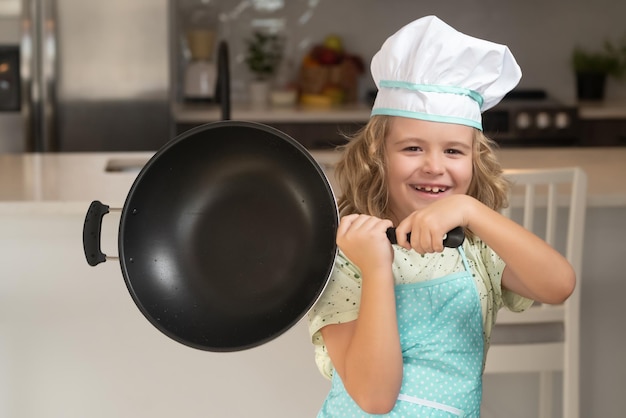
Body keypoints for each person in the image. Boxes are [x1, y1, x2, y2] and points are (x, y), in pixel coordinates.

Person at [307, 15, 575, 417]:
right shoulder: (345, 257)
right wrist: (378, 268)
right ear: (377, 156)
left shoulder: (477, 247)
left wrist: (472, 211)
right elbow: (375, 398)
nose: (435, 166)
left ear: (474, 160)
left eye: (453, 151)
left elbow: (559, 286)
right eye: (412, 148)